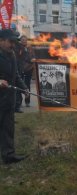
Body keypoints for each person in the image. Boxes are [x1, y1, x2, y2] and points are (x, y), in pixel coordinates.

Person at [0, 29, 29, 164]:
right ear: (1, 41)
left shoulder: (11, 54)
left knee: (8, 127)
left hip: (8, 99)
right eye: (10, 41)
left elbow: (16, 75)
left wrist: (24, 87)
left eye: (13, 42)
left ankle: (9, 155)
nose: (12, 45)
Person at [20, 35, 35, 107]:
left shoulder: (30, 48)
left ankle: (27, 101)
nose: (24, 41)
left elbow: (32, 56)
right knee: (19, 85)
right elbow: (21, 57)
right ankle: (19, 102)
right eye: (22, 40)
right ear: (20, 41)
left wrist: (33, 59)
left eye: (25, 40)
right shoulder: (18, 47)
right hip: (20, 69)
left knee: (27, 85)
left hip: (29, 69)